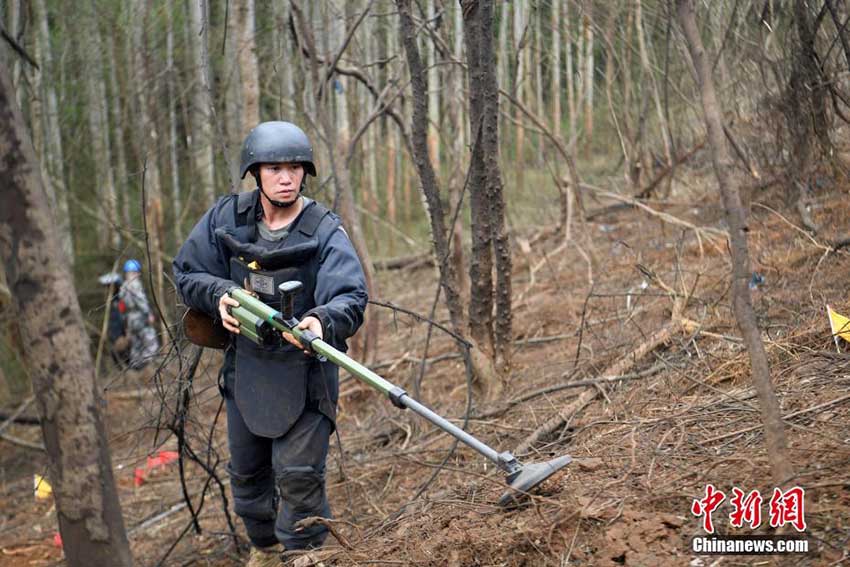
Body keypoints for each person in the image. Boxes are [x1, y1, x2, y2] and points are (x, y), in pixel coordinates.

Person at [172, 121, 368, 564]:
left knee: (298, 479)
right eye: (275, 168)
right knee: (247, 482)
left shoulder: (324, 229)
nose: (287, 177)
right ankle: (265, 550)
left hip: (307, 373)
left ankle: (305, 555)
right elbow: (187, 272)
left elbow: (351, 295)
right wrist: (221, 296)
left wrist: (321, 321)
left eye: (295, 168)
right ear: (256, 172)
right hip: (247, 371)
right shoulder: (227, 218)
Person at [120, 259, 160, 370]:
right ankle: (148, 365)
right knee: (151, 342)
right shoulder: (135, 285)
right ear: (136, 272)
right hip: (140, 318)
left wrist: (126, 325)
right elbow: (141, 301)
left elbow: (122, 308)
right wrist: (148, 314)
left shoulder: (123, 287)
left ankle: (136, 370)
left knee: (136, 345)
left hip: (130, 320)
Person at [98, 272, 130, 367]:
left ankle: (131, 371)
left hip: (121, 333)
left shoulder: (121, 299)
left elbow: (124, 316)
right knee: (115, 355)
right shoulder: (111, 301)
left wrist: (126, 332)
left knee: (122, 353)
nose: (107, 289)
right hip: (114, 333)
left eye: (109, 286)